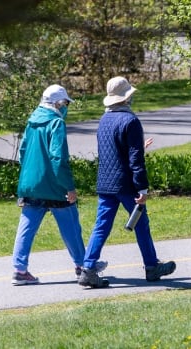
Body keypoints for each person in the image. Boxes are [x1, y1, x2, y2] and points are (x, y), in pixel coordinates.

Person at [78, 76, 176, 288]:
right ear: (126, 98)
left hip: (105, 181)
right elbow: (135, 159)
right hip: (126, 183)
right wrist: (142, 186)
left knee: (101, 225)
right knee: (141, 223)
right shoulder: (130, 121)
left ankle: (88, 268)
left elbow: (113, 151)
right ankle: (151, 266)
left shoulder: (104, 120)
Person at [11, 84, 106, 285]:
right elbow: (58, 158)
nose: (65, 107)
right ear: (56, 103)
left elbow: (23, 152)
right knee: (70, 224)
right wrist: (69, 187)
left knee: (26, 227)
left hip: (30, 183)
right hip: (53, 185)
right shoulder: (56, 123)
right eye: (64, 103)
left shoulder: (32, 121)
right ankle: (83, 265)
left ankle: (19, 270)